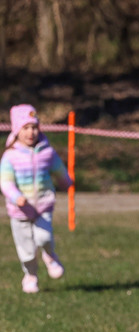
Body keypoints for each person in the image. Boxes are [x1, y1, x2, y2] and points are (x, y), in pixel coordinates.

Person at [1, 104, 72, 294]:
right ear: (16, 130)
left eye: (34, 127)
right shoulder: (10, 156)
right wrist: (16, 197)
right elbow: (5, 182)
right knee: (26, 250)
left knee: (44, 237)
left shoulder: (47, 152)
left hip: (43, 205)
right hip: (20, 211)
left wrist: (66, 182)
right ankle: (30, 276)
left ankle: (50, 256)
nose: (31, 132)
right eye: (25, 128)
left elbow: (59, 169)